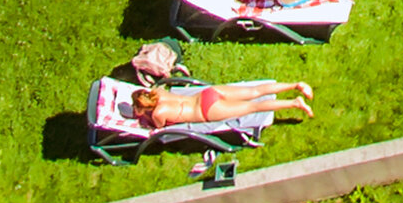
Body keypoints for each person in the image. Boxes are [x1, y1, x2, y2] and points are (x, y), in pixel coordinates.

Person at [125, 76, 315, 128]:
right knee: (254, 91)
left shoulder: (159, 113)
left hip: (206, 110)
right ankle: (296, 85)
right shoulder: (159, 92)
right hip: (207, 94)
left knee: (253, 106)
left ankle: (295, 103)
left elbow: (158, 128)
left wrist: (144, 116)